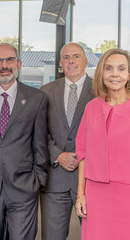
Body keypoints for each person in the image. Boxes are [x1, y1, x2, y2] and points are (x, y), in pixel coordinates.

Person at [75, 48, 130, 240]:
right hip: (96, 195)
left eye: (121, 68)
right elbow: (83, 155)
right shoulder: (91, 108)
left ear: (129, 75)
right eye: (109, 68)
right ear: (101, 73)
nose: (115, 74)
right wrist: (80, 194)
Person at [0, 43, 49, 240]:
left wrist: (37, 180)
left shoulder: (37, 98)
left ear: (19, 63)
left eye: (9, 60)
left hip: (24, 187)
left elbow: (40, 143)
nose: (4, 65)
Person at [40, 42, 95, 240]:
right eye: (66, 57)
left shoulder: (101, 91)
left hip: (91, 180)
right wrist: (57, 155)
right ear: (61, 63)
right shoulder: (45, 91)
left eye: (76, 56)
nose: (71, 61)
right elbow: (37, 132)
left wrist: (82, 156)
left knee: (96, 235)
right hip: (55, 179)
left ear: (86, 61)